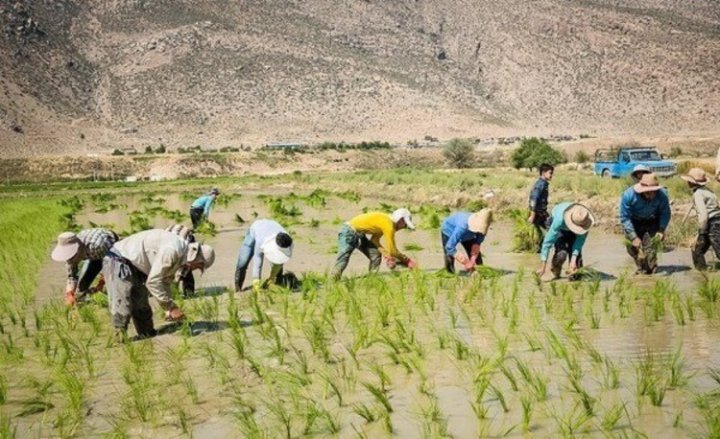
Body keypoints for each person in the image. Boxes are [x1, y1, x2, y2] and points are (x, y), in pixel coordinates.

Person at [102, 229, 215, 340]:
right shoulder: (173, 250)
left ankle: (147, 334)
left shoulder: (180, 257)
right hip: (118, 259)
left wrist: (168, 310)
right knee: (122, 304)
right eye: (199, 266)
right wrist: (171, 307)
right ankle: (119, 337)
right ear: (197, 258)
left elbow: (164, 282)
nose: (195, 269)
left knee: (142, 309)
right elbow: (153, 282)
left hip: (137, 267)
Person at [331, 208, 417, 279]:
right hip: (348, 231)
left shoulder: (385, 222)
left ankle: (371, 279)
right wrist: (407, 261)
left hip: (360, 235)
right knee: (343, 258)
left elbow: (374, 241)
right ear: (401, 220)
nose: (403, 228)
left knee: (375, 255)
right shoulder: (388, 225)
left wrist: (388, 257)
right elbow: (393, 251)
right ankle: (333, 281)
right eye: (405, 225)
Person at [619, 172, 671, 274]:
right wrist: (633, 237)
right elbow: (625, 218)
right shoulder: (628, 195)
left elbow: (665, 213)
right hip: (634, 221)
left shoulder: (662, 195)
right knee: (632, 248)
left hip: (652, 221)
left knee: (651, 247)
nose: (651, 195)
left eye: (653, 192)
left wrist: (661, 230)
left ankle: (652, 269)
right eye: (647, 192)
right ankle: (641, 267)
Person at [51, 228, 119, 306]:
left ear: (78, 249)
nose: (70, 261)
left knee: (114, 283)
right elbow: (72, 277)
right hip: (89, 252)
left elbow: (113, 263)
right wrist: (69, 293)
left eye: (71, 257)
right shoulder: (70, 258)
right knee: (81, 287)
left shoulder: (96, 246)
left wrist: (102, 283)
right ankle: (81, 301)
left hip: (110, 246)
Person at [536, 203, 594, 279]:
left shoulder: (584, 221)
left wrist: (573, 262)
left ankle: (573, 268)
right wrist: (543, 266)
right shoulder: (559, 220)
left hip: (573, 225)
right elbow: (547, 242)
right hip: (559, 228)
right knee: (561, 254)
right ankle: (555, 270)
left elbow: (579, 243)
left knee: (576, 273)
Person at [234, 219, 293, 292]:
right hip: (255, 229)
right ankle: (238, 288)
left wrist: (271, 278)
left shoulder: (288, 242)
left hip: (272, 226)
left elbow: (279, 262)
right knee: (243, 260)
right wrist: (256, 280)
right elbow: (257, 259)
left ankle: (277, 283)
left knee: (278, 261)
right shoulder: (261, 241)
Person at [681, 168, 720, 270]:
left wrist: (702, 232)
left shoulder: (698, 194)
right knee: (697, 250)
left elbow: (703, 214)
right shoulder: (708, 191)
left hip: (711, 224)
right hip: (716, 221)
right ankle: (702, 273)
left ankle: (701, 272)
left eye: (688, 181)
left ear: (691, 182)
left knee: (700, 249)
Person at [441, 209, 493, 273]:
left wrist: (473, 260)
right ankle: (450, 273)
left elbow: (477, 244)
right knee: (449, 255)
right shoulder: (462, 226)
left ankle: (481, 271)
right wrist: (466, 262)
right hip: (449, 230)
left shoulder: (482, 229)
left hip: (468, 233)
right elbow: (449, 247)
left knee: (476, 256)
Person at [166, 224, 197, 296]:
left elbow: (185, 264)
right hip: (172, 235)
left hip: (186, 238)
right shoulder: (165, 250)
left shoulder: (183, 247)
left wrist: (177, 278)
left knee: (187, 267)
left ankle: (189, 291)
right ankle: (174, 291)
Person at [528, 164, 554, 251]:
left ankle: (541, 249)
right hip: (538, 214)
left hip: (542, 213)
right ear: (543, 173)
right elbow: (533, 200)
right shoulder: (540, 185)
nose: (551, 175)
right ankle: (540, 250)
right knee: (551, 230)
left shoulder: (544, 184)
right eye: (550, 173)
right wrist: (532, 215)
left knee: (547, 231)